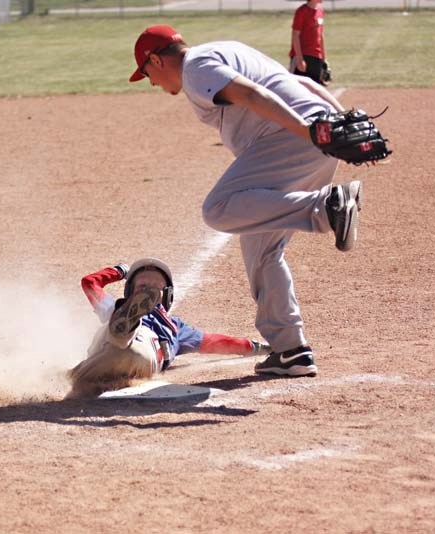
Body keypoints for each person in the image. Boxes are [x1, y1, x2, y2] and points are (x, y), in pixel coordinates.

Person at [128, 25, 362, 378]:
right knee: (261, 250)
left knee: (220, 208)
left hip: (293, 139)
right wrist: (340, 122)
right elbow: (304, 84)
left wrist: (307, 132)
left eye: (146, 73)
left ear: (156, 60)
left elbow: (251, 94)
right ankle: (290, 350)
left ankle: (325, 208)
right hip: (313, 139)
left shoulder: (195, 69)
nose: (151, 82)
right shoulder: (225, 48)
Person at [66, 258, 271, 399]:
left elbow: (90, 283)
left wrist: (119, 271)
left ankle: (126, 329)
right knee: (111, 336)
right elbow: (217, 343)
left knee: (122, 333)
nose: (149, 290)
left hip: (142, 342)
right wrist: (261, 348)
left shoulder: (176, 326)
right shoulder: (175, 328)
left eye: (154, 289)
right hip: (136, 357)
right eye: (143, 288)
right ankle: (122, 330)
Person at [289, 0, 330, 86]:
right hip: (303, 56)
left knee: (315, 88)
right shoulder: (302, 11)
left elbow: (320, 35)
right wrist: (300, 59)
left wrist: (324, 58)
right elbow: (295, 35)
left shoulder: (320, 11)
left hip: (316, 56)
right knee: (298, 88)